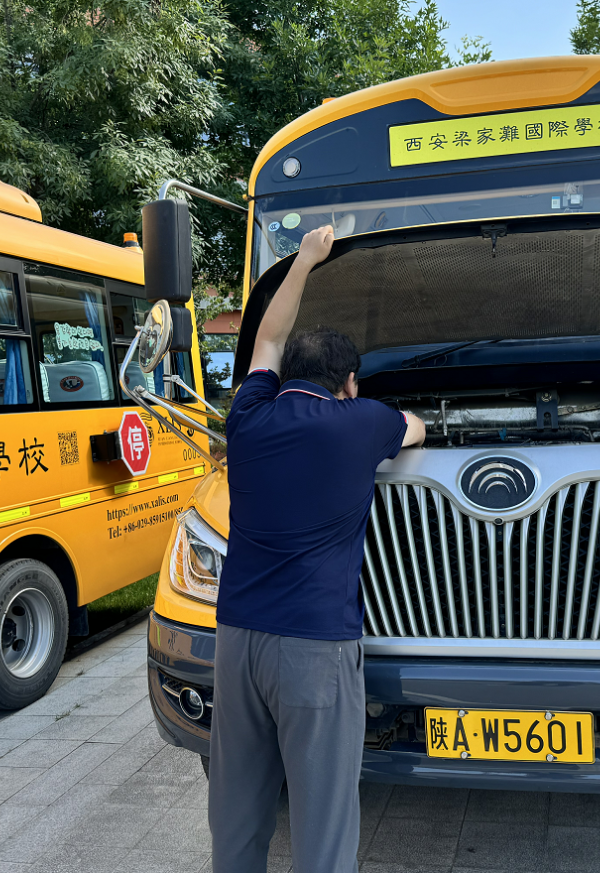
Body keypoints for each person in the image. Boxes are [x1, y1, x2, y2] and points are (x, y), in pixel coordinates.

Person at [207, 224, 426, 873]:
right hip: (315, 648)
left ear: (286, 377)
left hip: (237, 641)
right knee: (323, 818)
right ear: (350, 382)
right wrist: (400, 424)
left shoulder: (248, 416)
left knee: (237, 809)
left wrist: (303, 260)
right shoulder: (361, 423)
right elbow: (414, 428)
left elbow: (268, 337)